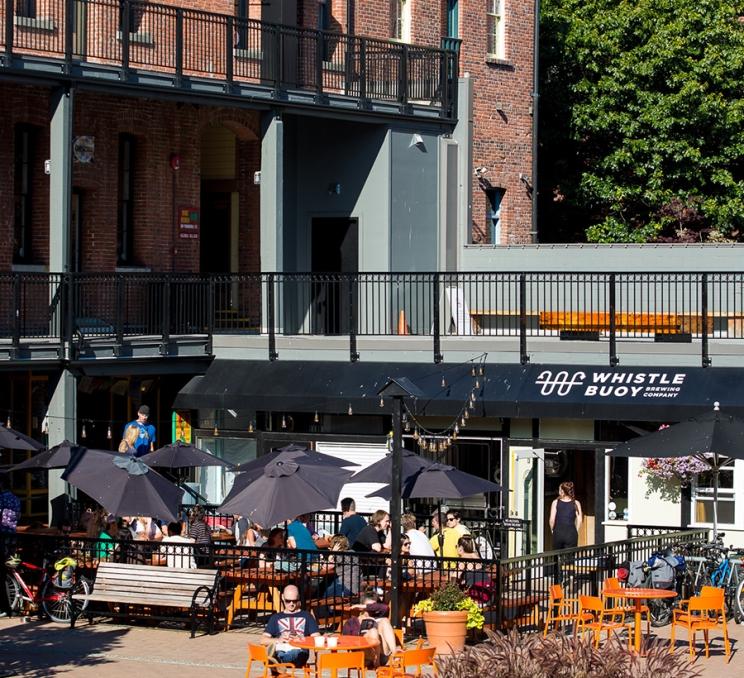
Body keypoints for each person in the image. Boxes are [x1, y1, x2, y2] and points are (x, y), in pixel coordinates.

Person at [262, 584, 320, 668]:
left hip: (299, 651)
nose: (291, 604)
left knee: (295, 653)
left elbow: (317, 638)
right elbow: (263, 640)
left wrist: (302, 639)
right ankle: (277, 659)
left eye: (295, 601)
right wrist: (279, 640)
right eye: (288, 601)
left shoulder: (307, 616)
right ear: (282, 597)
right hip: (282, 648)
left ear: (298, 598)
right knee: (280, 651)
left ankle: (277, 661)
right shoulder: (276, 617)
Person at [343, 588, 397, 668]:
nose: (371, 610)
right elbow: (346, 641)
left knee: (385, 621)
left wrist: (367, 607)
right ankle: (376, 662)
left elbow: (385, 608)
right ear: (361, 609)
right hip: (365, 653)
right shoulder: (353, 621)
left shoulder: (379, 616)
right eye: (368, 608)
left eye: (373, 607)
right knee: (373, 631)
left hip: (382, 653)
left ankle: (395, 654)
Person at [0, 478, 20, 616]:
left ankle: (5, 606)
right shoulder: (16, 499)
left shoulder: (1, 498)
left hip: (1, 535)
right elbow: (18, 515)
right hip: (11, 535)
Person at [549, 481, 583, 550]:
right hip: (571, 534)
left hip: (558, 533)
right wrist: (575, 531)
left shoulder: (555, 502)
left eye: (559, 490)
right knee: (570, 558)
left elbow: (551, 520)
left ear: (562, 491)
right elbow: (580, 520)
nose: (558, 492)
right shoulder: (576, 503)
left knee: (556, 556)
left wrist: (553, 530)